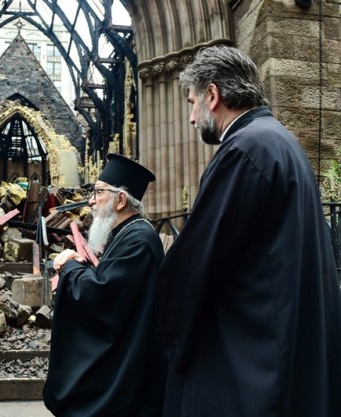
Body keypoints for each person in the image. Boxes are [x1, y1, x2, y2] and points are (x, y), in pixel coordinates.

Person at [155, 45, 341, 417]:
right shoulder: (280, 142)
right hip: (284, 342)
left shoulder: (244, 149)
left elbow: (199, 264)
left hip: (251, 362)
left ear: (212, 96)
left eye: (192, 102)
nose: (191, 118)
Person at [43, 153, 167, 417]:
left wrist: (70, 267)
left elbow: (102, 296)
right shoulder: (128, 233)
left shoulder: (139, 240)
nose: (91, 200)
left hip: (134, 371)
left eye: (99, 192)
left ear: (120, 200)